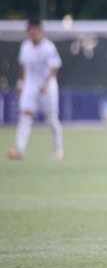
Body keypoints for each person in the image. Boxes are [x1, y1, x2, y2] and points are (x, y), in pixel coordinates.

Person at [7, 19, 64, 161]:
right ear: (27, 32)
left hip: (47, 87)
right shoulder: (25, 47)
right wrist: (20, 85)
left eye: (36, 30)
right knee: (25, 116)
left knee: (51, 119)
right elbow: (23, 67)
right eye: (30, 30)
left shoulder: (48, 47)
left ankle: (58, 149)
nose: (33, 33)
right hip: (30, 86)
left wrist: (45, 83)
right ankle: (19, 150)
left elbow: (54, 67)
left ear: (40, 31)